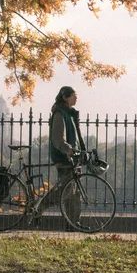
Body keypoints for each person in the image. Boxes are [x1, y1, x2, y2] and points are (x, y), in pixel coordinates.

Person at [45, 86, 85, 225]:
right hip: (64, 157)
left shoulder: (70, 114)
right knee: (66, 191)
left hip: (73, 157)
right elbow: (58, 138)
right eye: (73, 95)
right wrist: (67, 150)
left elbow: (76, 136)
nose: (76, 97)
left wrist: (81, 151)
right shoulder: (60, 114)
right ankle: (40, 207)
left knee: (74, 193)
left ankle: (73, 223)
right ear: (65, 97)